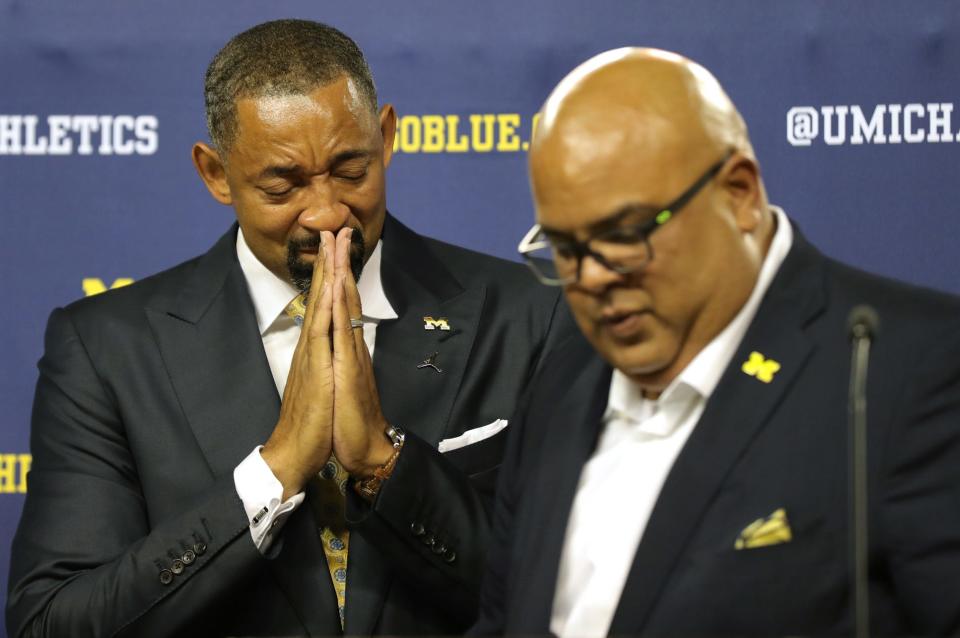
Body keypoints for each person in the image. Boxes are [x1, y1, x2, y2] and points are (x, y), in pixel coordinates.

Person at [6, 19, 568, 638]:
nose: (327, 211)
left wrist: (383, 464)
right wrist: (271, 475)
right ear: (216, 174)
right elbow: (53, 623)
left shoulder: (531, 315)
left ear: (385, 136)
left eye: (352, 169)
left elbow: (573, 595)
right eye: (283, 184)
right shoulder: (106, 349)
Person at [472, 47, 960, 636]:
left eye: (624, 235)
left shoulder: (911, 374)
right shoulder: (563, 375)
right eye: (566, 249)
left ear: (739, 193)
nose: (593, 277)